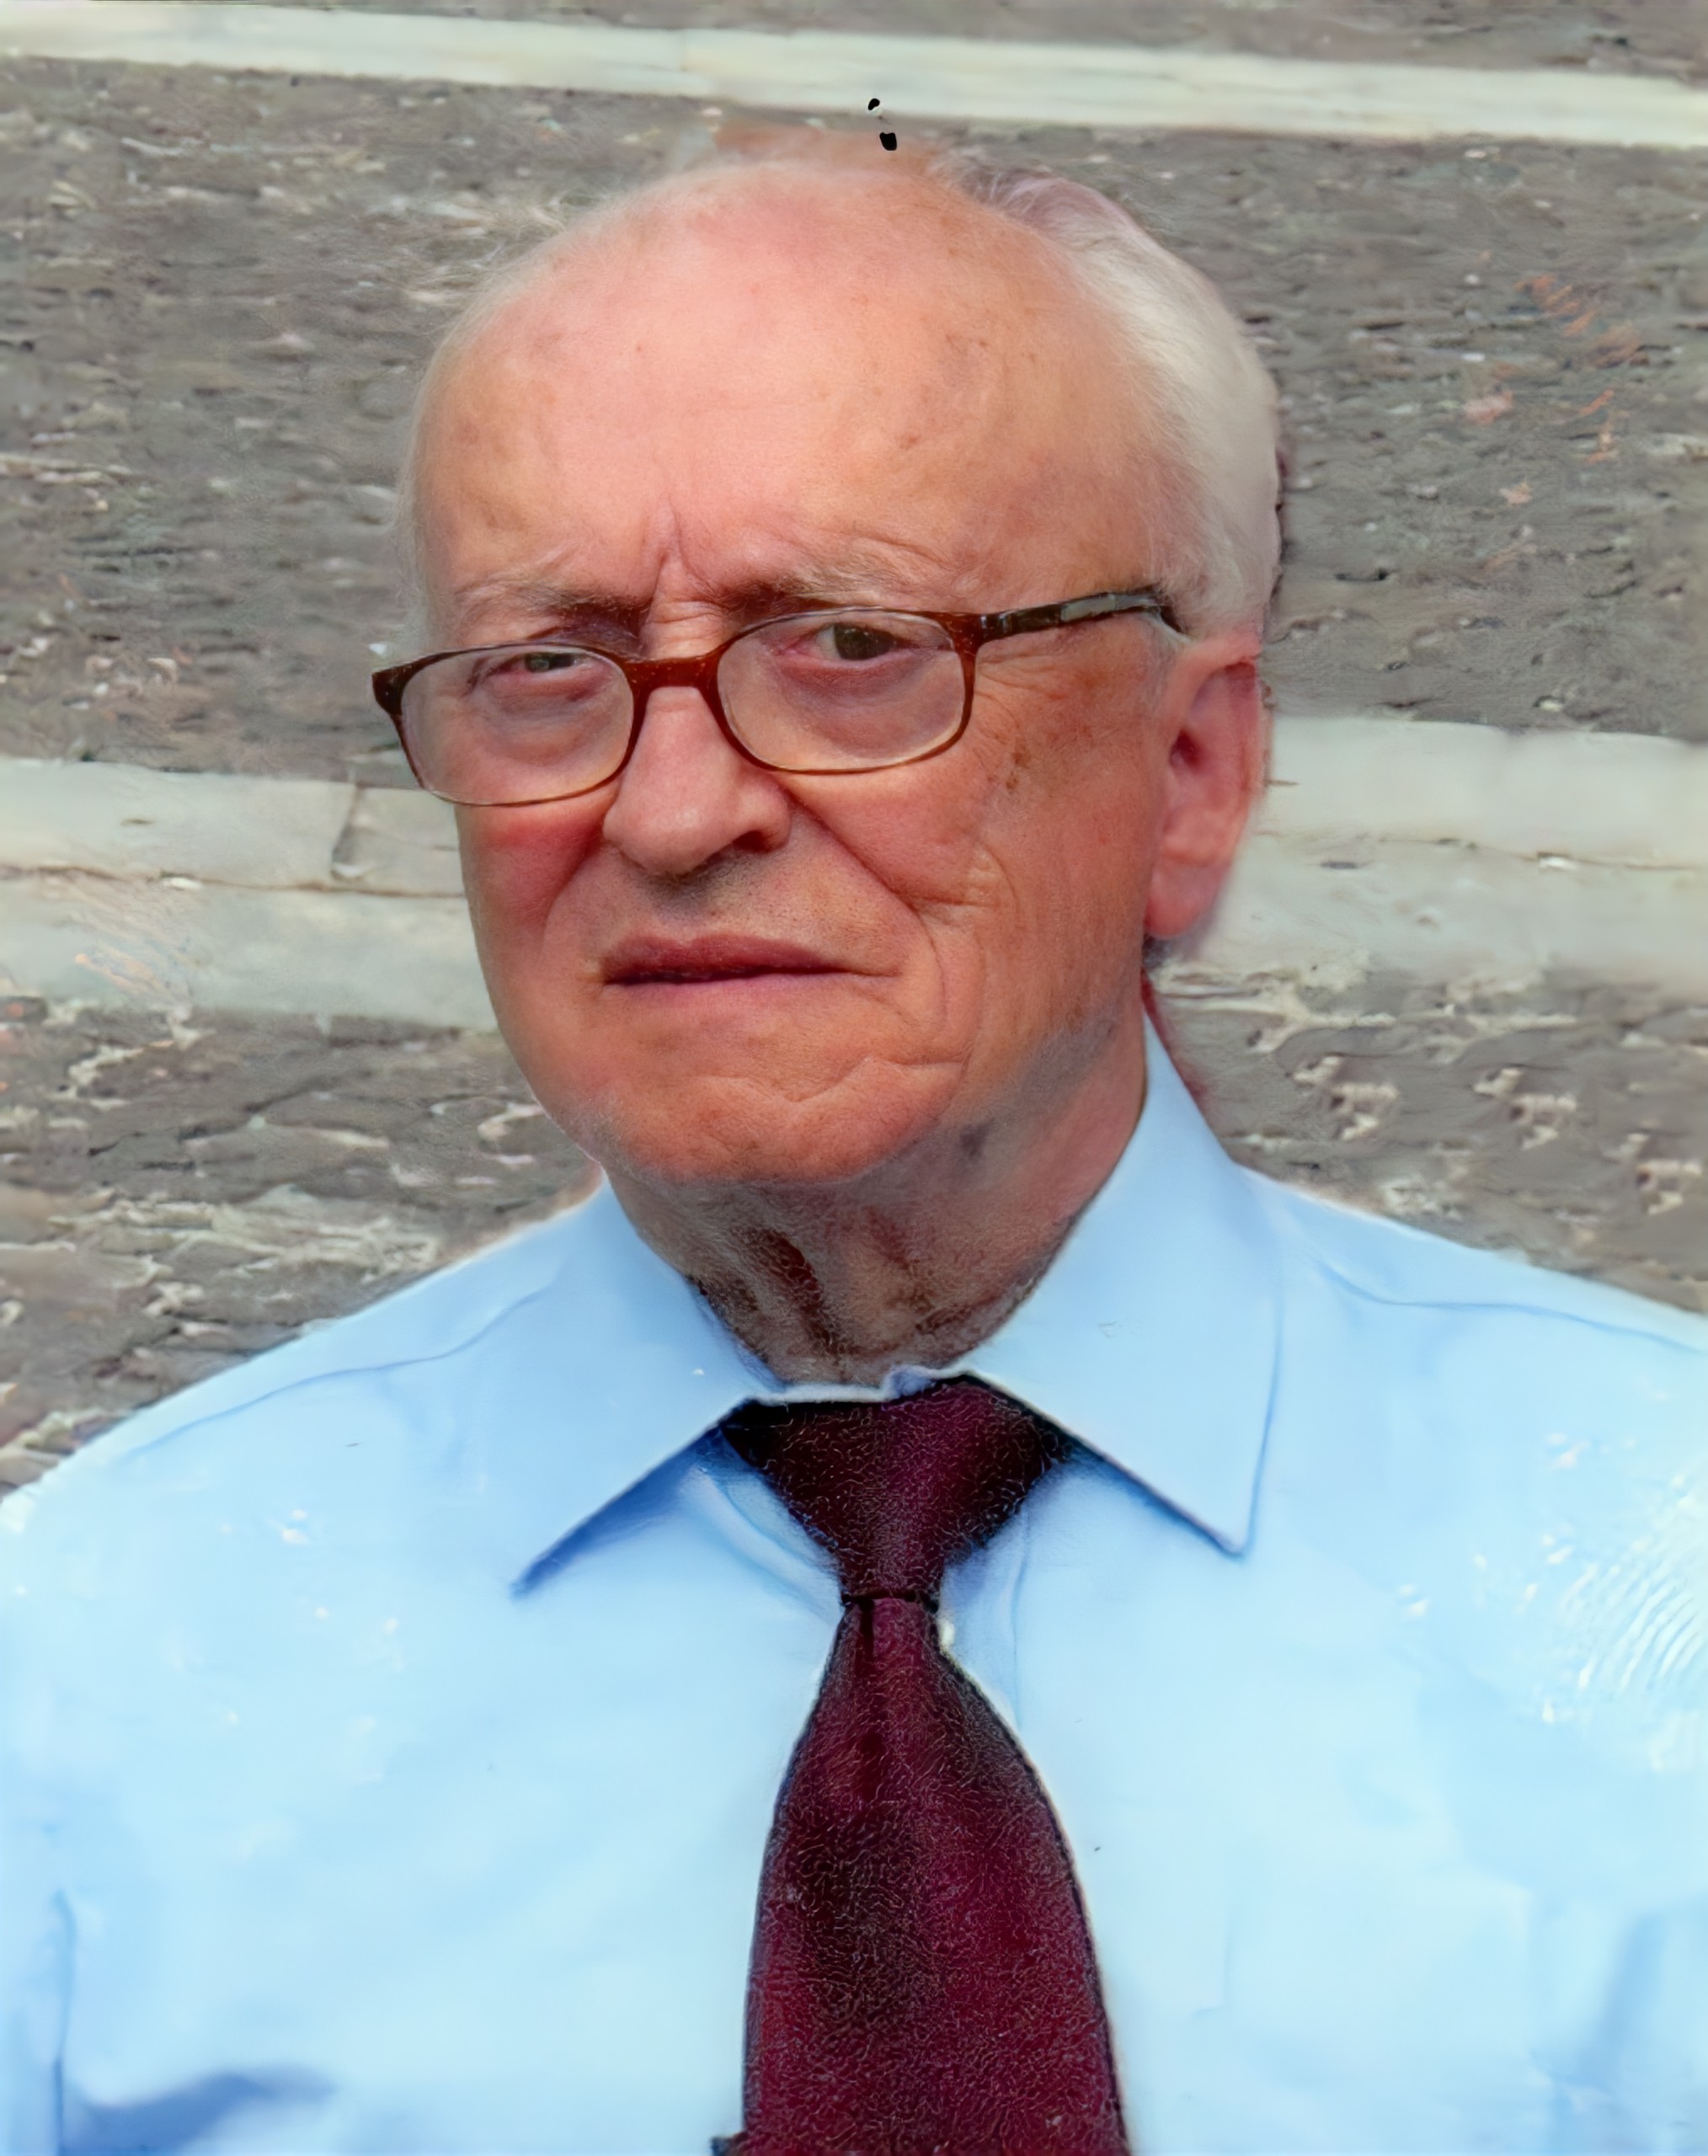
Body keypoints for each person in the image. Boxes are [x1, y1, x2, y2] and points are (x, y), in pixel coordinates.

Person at [3, 135, 1705, 2156]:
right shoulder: (90, 1675)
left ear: (1189, 767)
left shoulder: (1665, 1579)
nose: (672, 811)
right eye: (546, 671)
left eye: (850, 651)